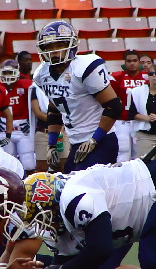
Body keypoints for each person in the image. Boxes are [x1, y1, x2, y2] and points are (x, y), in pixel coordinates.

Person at [13, 154, 156, 269]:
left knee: (155, 257)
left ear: (50, 202)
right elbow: (76, 263)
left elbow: (100, 248)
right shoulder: (63, 223)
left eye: (39, 215)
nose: (40, 224)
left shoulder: (72, 196)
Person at [34, 20, 122, 173]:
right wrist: (52, 145)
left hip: (100, 139)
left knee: (83, 185)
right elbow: (54, 110)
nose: (54, 51)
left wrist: (94, 140)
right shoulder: (42, 74)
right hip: (76, 143)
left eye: (59, 45)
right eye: (49, 46)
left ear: (71, 45)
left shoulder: (84, 67)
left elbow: (114, 106)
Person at [0, 59, 35, 174]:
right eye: (5, 73)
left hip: (23, 130)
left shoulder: (27, 85)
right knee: (8, 163)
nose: (7, 76)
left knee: (28, 162)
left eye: (10, 72)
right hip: (5, 130)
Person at [110, 50, 147, 162]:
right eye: (129, 61)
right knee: (123, 152)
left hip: (140, 120)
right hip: (122, 121)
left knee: (139, 154)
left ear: (139, 62)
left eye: (135, 61)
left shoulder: (147, 78)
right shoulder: (117, 77)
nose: (132, 63)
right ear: (124, 63)